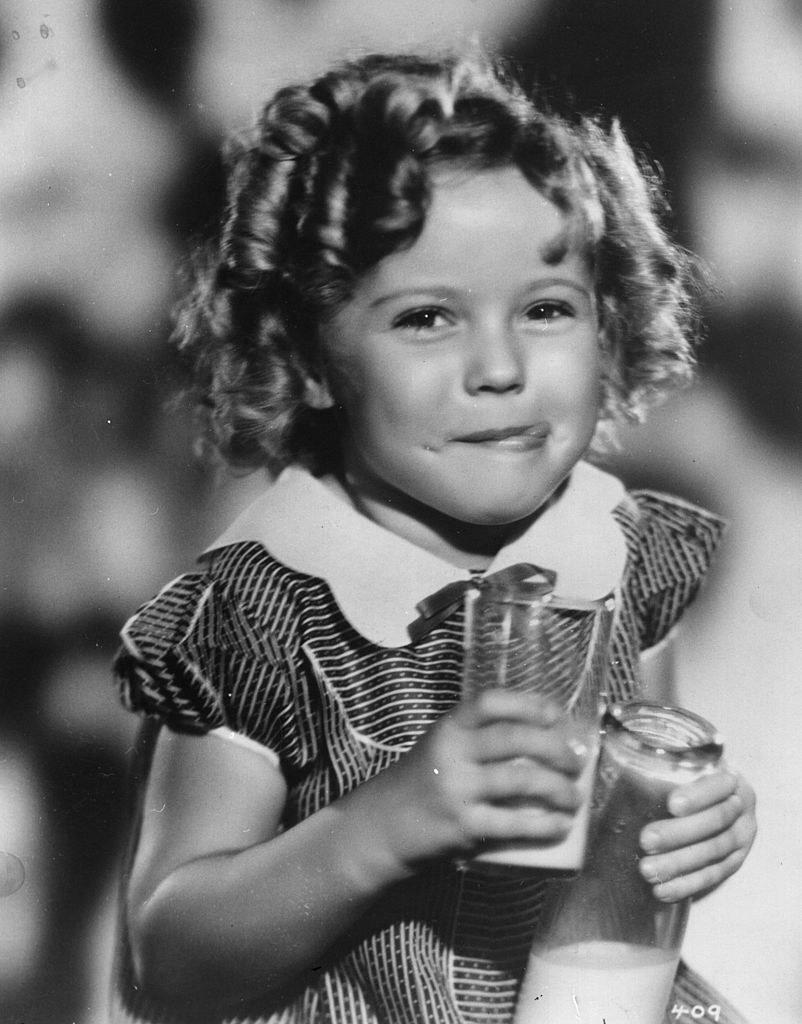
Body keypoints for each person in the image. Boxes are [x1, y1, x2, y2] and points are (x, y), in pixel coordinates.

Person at [109, 50, 757, 1024]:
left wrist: (686, 830)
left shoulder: (621, 553)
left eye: (544, 309)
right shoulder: (255, 612)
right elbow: (169, 960)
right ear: (309, 358)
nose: (498, 365)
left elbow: (617, 843)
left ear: (608, 318)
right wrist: (383, 826)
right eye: (426, 318)